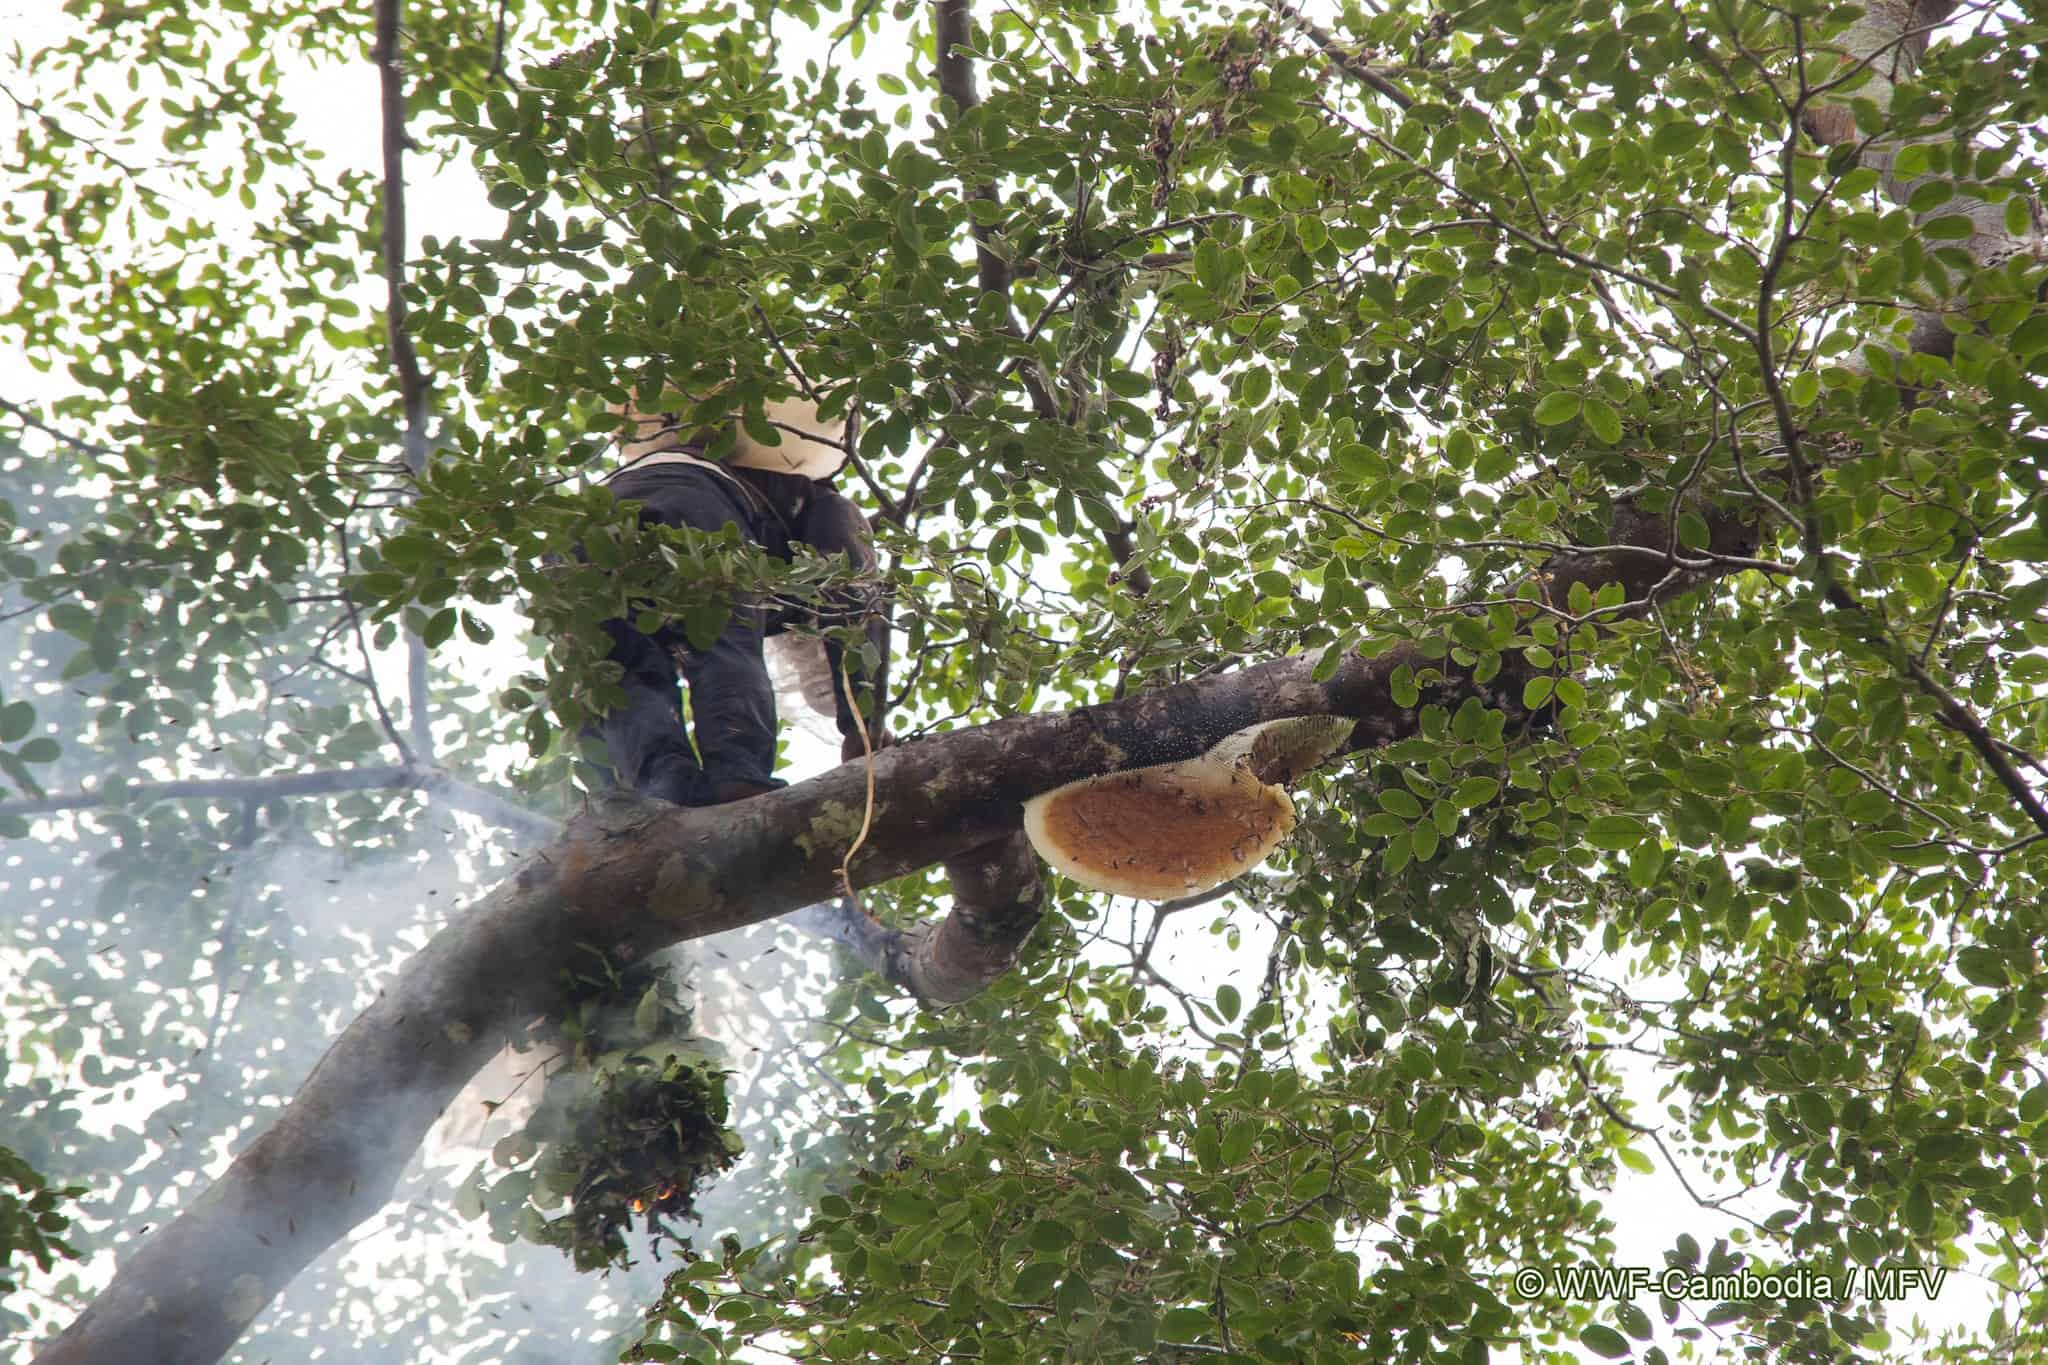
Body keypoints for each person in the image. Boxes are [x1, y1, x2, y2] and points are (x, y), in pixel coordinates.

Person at [594, 387, 889, 808]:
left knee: (625, 673)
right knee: (723, 638)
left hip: (588, 524)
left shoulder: (734, 485)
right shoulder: (817, 498)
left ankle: (667, 798)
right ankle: (739, 779)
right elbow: (851, 595)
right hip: (691, 505)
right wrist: (864, 725)